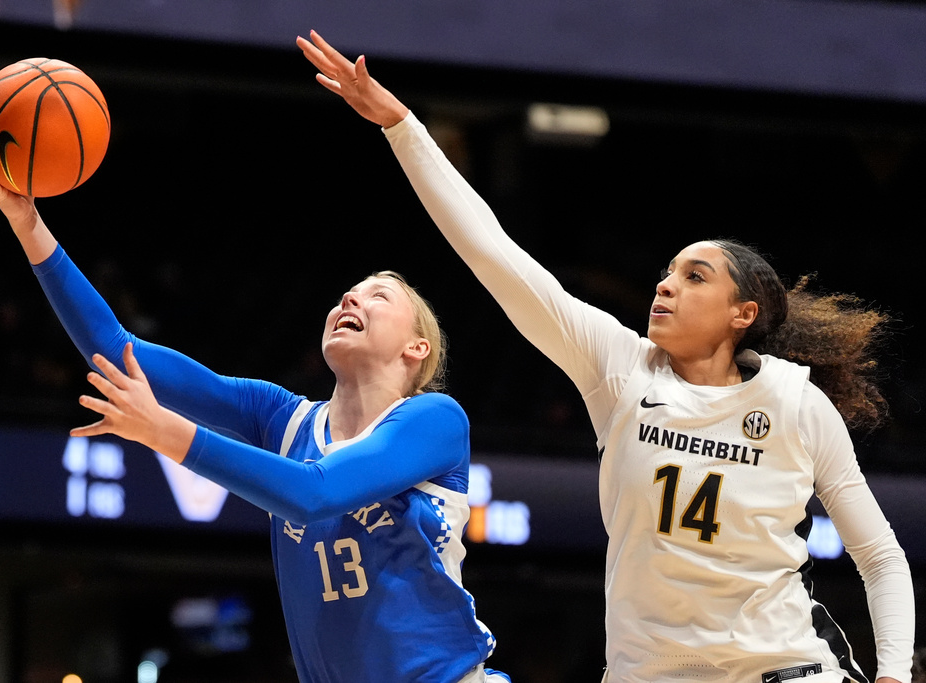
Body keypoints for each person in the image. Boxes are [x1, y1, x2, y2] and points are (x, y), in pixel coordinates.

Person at [297, 30, 916, 683]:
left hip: (785, 667)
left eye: (695, 277)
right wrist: (402, 126)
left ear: (743, 315)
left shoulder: (794, 402)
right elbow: (493, 254)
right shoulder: (620, 370)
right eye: (667, 272)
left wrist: (894, 674)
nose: (665, 286)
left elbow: (880, 556)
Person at [0, 126, 510, 683]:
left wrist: (164, 432)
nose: (350, 297)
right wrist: (27, 224)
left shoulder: (435, 419)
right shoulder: (281, 419)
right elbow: (116, 347)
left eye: (378, 295)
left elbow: (314, 493)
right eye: (350, 292)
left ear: (417, 348)